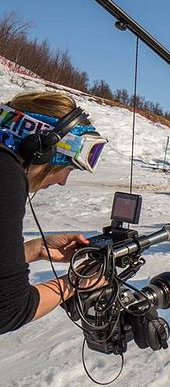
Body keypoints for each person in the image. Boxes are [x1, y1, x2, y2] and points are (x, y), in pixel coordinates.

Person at [1, 91, 108, 334]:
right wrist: (75, 284)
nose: (62, 181)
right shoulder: (6, 174)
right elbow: (8, 309)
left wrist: (32, 250)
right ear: (40, 150)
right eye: (67, 168)